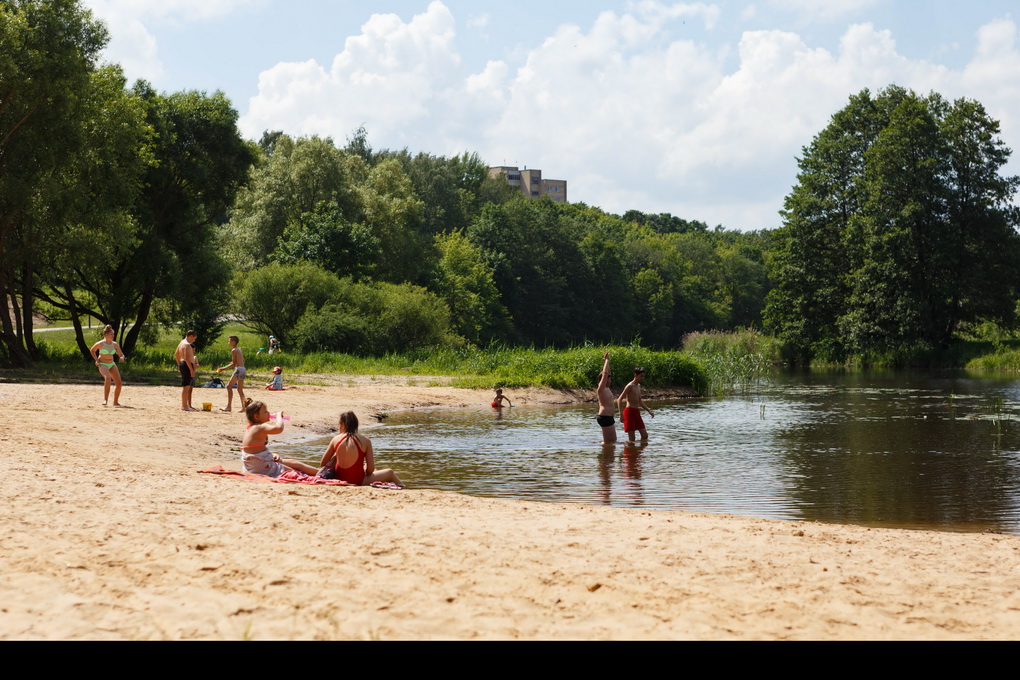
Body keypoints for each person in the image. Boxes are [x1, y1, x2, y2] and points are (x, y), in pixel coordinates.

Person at [318, 411, 404, 487]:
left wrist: (337, 456)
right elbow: (370, 470)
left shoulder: (335, 439)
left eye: (339, 424)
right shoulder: (365, 440)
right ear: (356, 425)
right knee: (389, 473)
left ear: (342, 424)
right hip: (357, 481)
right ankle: (403, 488)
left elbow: (323, 464)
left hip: (339, 478)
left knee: (365, 466)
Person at [241, 399, 318, 477]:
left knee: (295, 463)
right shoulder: (260, 427)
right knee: (293, 472)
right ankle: (320, 476)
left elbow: (256, 449)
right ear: (256, 416)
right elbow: (278, 429)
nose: (268, 413)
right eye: (265, 412)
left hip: (256, 463)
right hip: (261, 466)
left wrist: (271, 454)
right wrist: (279, 417)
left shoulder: (251, 427)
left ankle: (321, 473)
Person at [89, 324, 126, 407]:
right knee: (108, 378)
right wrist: (97, 360)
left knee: (119, 383)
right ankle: (105, 399)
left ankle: (115, 402)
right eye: (111, 334)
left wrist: (122, 358)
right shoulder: (101, 344)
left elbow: (121, 354)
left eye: (113, 334)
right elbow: (92, 350)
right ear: (106, 335)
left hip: (111, 364)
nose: (113, 336)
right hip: (102, 364)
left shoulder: (115, 344)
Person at [617, 366, 654, 442]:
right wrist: (621, 414)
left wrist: (649, 410)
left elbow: (640, 401)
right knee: (632, 438)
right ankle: (629, 452)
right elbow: (619, 399)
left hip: (636, 411)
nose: (642, 378)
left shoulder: (639, 386)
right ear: (635, 375)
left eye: (643, 376)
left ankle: (638, 452)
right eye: (641, 376)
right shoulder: (630, 386)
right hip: (629, 411)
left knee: (644, 436)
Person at [216, 335, 246, 412]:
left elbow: (233, 363)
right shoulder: (239, 349)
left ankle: (229, 407)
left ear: (233, 342)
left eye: (229, 341)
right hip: (243, 369)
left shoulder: (234, 350)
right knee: (240, 389)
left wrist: (222, 369)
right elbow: (241, 360)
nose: (228, 343)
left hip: (239, 370)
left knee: (229, 387)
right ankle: (244, 407)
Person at [174, 330, 198, 411]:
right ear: (191, 336)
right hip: (187, 365)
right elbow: (187, 358)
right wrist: (192, 370)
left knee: (185, 385)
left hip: (182, 364)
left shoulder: (181, 343)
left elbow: (176, 354)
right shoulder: (187, 345)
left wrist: (178, 364)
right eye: (194, 338)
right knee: (186, 386)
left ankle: (184, 405)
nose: (194, 340)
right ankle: (184, 406)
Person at [596, 350, 617, 444]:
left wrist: (606, 362)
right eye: (609, 379)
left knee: (613, 441)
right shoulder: (602, 388)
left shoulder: (607, 388)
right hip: (604, 417)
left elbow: (607, 372)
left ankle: (607, 457)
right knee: (608, 443)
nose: (610, 381)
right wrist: (607, 361)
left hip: (609, 417)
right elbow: (604, 374)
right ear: (603, 380)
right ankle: (604, 458)